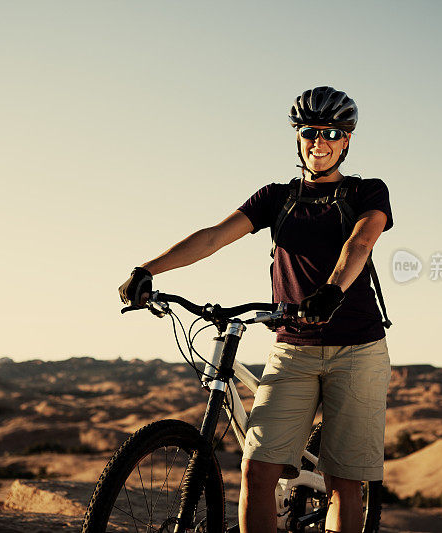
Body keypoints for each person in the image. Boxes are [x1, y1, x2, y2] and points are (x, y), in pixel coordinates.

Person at [118, 86, 393, 533]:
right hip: (293, 349)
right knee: (257, 470)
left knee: (342, 481)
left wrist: (332, 291)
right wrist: (147, 269)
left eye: (331, 133)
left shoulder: (368, 192)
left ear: (347, 140)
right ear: (298, 136)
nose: (319, 142)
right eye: (309, 132)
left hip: (357, 350)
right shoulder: (276, 197)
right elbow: (212, 237)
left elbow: (360, 243)